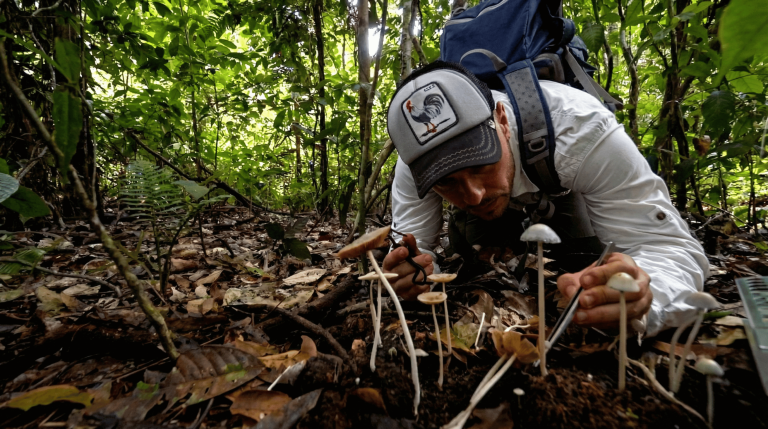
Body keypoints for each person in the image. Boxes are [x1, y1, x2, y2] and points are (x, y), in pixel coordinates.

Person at [381, 61, 708, 336]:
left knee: (588, 259)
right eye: (446, 182)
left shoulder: (579, 129)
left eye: (480, 163)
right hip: (500, 205)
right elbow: (410, 248)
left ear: (503, 121)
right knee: (472, 258)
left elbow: (668, 247)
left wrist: (649, 296)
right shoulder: (416, 166)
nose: (474, 194)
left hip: (561, 189)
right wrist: (411, 276)